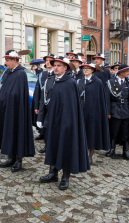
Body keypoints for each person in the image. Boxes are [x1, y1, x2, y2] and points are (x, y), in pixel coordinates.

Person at [39, 56, 90, 190]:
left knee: (66, 147)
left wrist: (69, 122)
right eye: (54, 65)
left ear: (65, 68)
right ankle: (52, 173)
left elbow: (73, 106)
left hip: (67, 122)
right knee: (53, 146)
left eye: (59, 66)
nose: (55, 67)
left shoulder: (70, 83)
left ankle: (65, 177)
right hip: (53, 120)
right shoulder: (51, 81)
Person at [0, 50, 35, 172]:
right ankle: (10, 157)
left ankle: (18, 160)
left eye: (7, 60)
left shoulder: (20, 74)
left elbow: (16, 94)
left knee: (16, 132)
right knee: (8, 132)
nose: (5, 63)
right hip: (5, 109)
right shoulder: (7, 73)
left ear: (15, 60)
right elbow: (4, 88)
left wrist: (4, 99)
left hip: (16, 110)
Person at [77, 61, 110, 164]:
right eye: (84, 68)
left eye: (88, 68)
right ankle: (80, 154)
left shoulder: (98, 82)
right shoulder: (79, 81)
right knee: (81, 133)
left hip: (93, 112)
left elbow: (100, 99)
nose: (85, 70)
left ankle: (90, 155)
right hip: (81, 111)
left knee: (92, 133)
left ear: (92, 70)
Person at [105, 64, 129, 160]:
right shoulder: (111, 82)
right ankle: (112, 149)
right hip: (115, 109)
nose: (128, 73)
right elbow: (107, 98)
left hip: (126, 110)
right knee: (114, 131)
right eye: (127, 71)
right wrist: (108, 111)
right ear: (121, 72)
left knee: (125, 131)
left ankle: (126, 151)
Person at [33, 54, 55, 144]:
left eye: (50, 60)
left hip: (52, 104)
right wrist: (36, 106)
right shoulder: (42, 74)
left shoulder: (56, 74)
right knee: (43, 125)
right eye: (46, 60)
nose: (48, 62)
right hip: (43, 104)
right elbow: (37, 91)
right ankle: (45, 142)